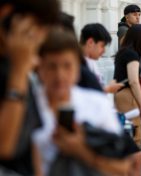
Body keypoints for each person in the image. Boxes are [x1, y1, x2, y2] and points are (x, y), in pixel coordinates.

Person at [33, 28, 132, 176]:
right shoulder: (27, 105)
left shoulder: (96, 104)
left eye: (67, 66)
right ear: (39, 68)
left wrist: (80, 150)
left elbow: (123, 167)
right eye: (52, 66)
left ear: (77, 69)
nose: (59, 75)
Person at [0, 0, 60, 175]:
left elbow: (31, 144)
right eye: (38, 26)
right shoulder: (17, 69)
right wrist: (19, 72)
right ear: (7, 14)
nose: (41, 37)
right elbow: (4, 146)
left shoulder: (15, 64)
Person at [114, 24, 141, 149]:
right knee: (135, 135)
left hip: (121, 94)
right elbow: (134, 81)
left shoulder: (123, 52)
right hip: (128, 95)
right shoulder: (132, 55)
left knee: (127, 132)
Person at [80, 23, 124, 93]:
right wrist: (108, 89)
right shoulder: (77, 66)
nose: (104, 51)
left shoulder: (91, 62)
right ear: (90, 42)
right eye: (102, 46)